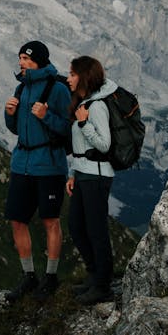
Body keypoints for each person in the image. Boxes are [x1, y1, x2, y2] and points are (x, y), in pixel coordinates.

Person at [4, 40, 72, 301]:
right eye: (20, 57)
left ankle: (51, 278)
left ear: (39, 60)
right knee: (17, 220)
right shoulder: (21, 88)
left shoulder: (57, 89)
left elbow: (69, 128)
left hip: (49, 166)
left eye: (26, 58)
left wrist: (46, 117)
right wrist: (9, 114)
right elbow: (17, 129)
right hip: (22, 163)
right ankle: (29, 277)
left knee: (50, 220)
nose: (21, 62)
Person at [66, 55, 117, 304]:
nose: (68, 79)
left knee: (96, 231)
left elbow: (104, 145)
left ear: (84, 76)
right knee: (76, 226)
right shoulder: (83, 102)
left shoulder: (96, 106)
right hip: (84, 174)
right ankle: (94, 274)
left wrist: (84, 122)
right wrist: (72, 174)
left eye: (73, 74)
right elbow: (78, 146)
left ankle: (103, 286)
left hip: (97, 176)